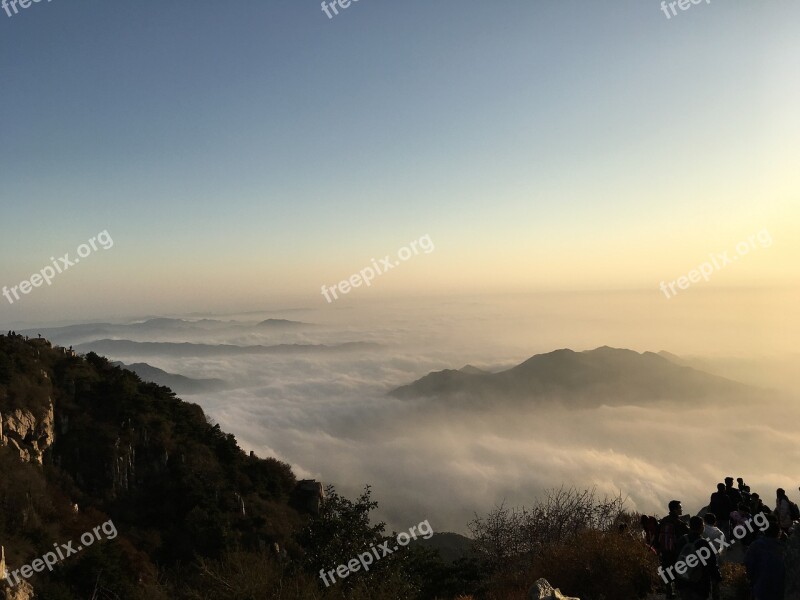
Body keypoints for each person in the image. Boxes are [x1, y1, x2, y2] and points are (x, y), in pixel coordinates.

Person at [675, 516, 721, 600]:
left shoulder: (682, 539)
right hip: (699, 584)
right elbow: (711, 562)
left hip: (683, 581)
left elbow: (675, 558)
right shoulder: (703, 543)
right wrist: (717, 577)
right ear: (700, 527)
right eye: (703, 525)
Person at [744, 518, 785, 600]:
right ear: (779, 533)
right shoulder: (784, 547)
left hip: (760, 585)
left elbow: (748, 564)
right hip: (780, 587)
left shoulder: (755, 545)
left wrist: (750, 579)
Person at [658, 500, 691, 599]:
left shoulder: (663, 520)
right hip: (676, 553)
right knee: (677, 573)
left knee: (666, 571)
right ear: (675, 510)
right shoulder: (679, 523)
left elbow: (657, 536)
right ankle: (678, 593)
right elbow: (687, 535)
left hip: (665, 552)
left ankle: (669, 593)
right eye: (680, 507)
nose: (681, 509)